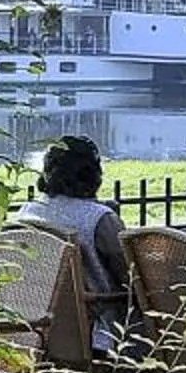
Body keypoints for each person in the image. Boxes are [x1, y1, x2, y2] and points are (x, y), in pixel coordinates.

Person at [15, 136, 127, 353]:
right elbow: (132, 275)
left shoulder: (28, 211)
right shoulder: (99, 220)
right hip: (93, 328)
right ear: (93, 173)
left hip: (35, 322)